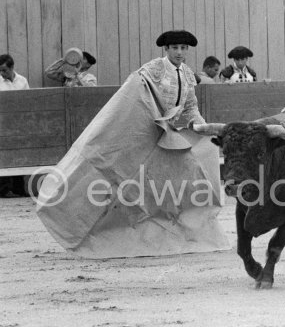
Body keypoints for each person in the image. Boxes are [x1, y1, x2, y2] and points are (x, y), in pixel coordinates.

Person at [36, 30, 230, 258]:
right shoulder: (151, 70)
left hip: (166, 138)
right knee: (118, 182)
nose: (179, 52)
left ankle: (160, 235)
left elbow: (190, 108)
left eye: (183, 48)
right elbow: (133, 99)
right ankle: (79, 224)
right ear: (165, 49)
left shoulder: (187, 74)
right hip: (142, 135)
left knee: (165, 187)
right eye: (175, 47)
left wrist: (201, 127)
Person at [0, 54, 30, 198]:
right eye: (0, 71)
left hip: (19, 123)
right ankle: (3, 189)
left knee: (20, 154)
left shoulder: (22, 81)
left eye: (4, 70)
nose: (2, 73)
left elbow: (28, 101)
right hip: (2, 122)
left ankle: (18, 188)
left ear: (12, 67)